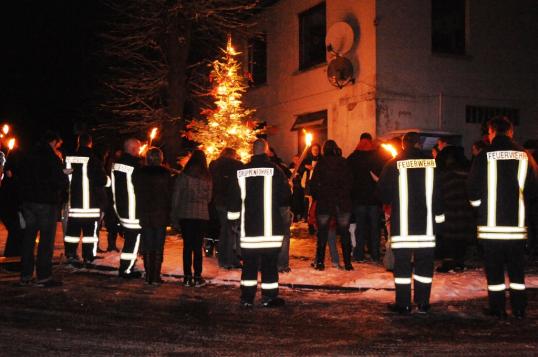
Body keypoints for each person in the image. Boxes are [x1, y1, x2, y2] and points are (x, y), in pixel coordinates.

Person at [467, 117, 537, 319]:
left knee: (495, 271)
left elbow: (472, 189)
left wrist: (480, 209)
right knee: (517, 271)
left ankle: (497, 308)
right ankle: (519, 308)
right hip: (516, 228)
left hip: (491, 229)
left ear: (491, 132)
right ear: (511, 132)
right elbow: (533, 190)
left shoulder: (483, 156)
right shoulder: (524, 156)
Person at [378, 132, 444, 314]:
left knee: (402, 266)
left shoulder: (393, 164)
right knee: (424, 265)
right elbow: (439, 193)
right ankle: (423, 303)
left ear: (402, 144)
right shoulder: (432, 163)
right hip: (427, 227)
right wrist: (439, 219)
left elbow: (382, 193)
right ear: (418, 144)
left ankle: (404, 304)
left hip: (403, 227)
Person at [227, 139, 291, 307]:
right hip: (270, 231)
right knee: (270, 265)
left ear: (252, 151)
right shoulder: (276, 171)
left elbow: (233, 199)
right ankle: (269, 297)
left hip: (249, 231)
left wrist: (233, 221)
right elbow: (285, 197)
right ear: (267, 151)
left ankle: (247, 298)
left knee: (249, 266)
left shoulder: (241, 172)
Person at [19, 131, 69, 287]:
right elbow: (58, 181)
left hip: (28, 202)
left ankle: (25, 275)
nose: (57, 147)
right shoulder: (51, 158)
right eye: (58, 144)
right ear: (53, 141)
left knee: (28, 239)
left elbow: (20, 177)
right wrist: (63, 175)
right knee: (46, 241)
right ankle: (44, 276)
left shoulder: (28, 155)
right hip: (46, 203)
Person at [63, 134, 108, 267]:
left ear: (79, 142)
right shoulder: (93, 159)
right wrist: (108, 180)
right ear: (90, 143)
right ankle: (88, 256)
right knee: (90, 234)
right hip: (90, 205)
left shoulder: (69, 158)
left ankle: (70, 253)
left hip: (74, 205)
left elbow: (65, 178)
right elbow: (101, 180)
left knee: (72, 232)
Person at [309, 140, 354, 271]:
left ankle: (320, 263)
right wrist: (344, 195)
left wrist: (319, 196)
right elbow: (350, 182)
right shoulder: (344, 162)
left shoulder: (320, 164)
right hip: (342, 202)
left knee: (322, 233)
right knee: (344, 233)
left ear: (324, 150)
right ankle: (347, 263)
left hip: (325, 202)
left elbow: (313, 184)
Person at [171, 149, 212, 287]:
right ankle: (198, 276)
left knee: (187, 246)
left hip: (186, 214)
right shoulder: (207, 177)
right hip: (201, 215)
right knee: (197, 246)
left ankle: (187, 276)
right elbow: (209, 198)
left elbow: (176, 196)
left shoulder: (184, 175)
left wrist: (174, 213)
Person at [133, 147, 172, 285]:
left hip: (145, 212)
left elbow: (136, 190)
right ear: (160, 158)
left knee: (148, 245)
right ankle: (155, 276)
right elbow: (169, 194)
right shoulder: (165, 173)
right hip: (160, 213)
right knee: (158, 246)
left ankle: (149, 275)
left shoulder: (140, 173)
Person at [435, 144, 475, 273]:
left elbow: (439, 193)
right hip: (465, 210)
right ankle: (459, 261)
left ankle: (448, 261)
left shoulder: (445, 173)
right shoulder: (467, 172)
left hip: (449, 209)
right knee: (462, 237)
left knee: (448, 237)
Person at [347, 133, 384, 262]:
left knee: (360, 228)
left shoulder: (352, 158)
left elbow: (348, 179)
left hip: (358, 200)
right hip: (374, 200)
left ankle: (359, 255)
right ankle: (375, 255)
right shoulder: (379, 157)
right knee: (375, 229)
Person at [112, 138, 143, 278]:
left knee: (129, 240)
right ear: (132, 149)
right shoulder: (134, 166)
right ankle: (126, 269)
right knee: (132, 240)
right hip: (132, 209)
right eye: (138, 149)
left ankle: (126, 266)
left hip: (121, 207)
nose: (139, 151)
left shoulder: (117, 164)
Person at [209, 147, 243, 269]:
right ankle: (229, 259)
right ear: (233, 155)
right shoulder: (237, 165)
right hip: (232, 202)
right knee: (231, 231)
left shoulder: (214, 165)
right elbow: (239, 185)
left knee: (224, 230)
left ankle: (224, 258)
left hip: (218, 202)